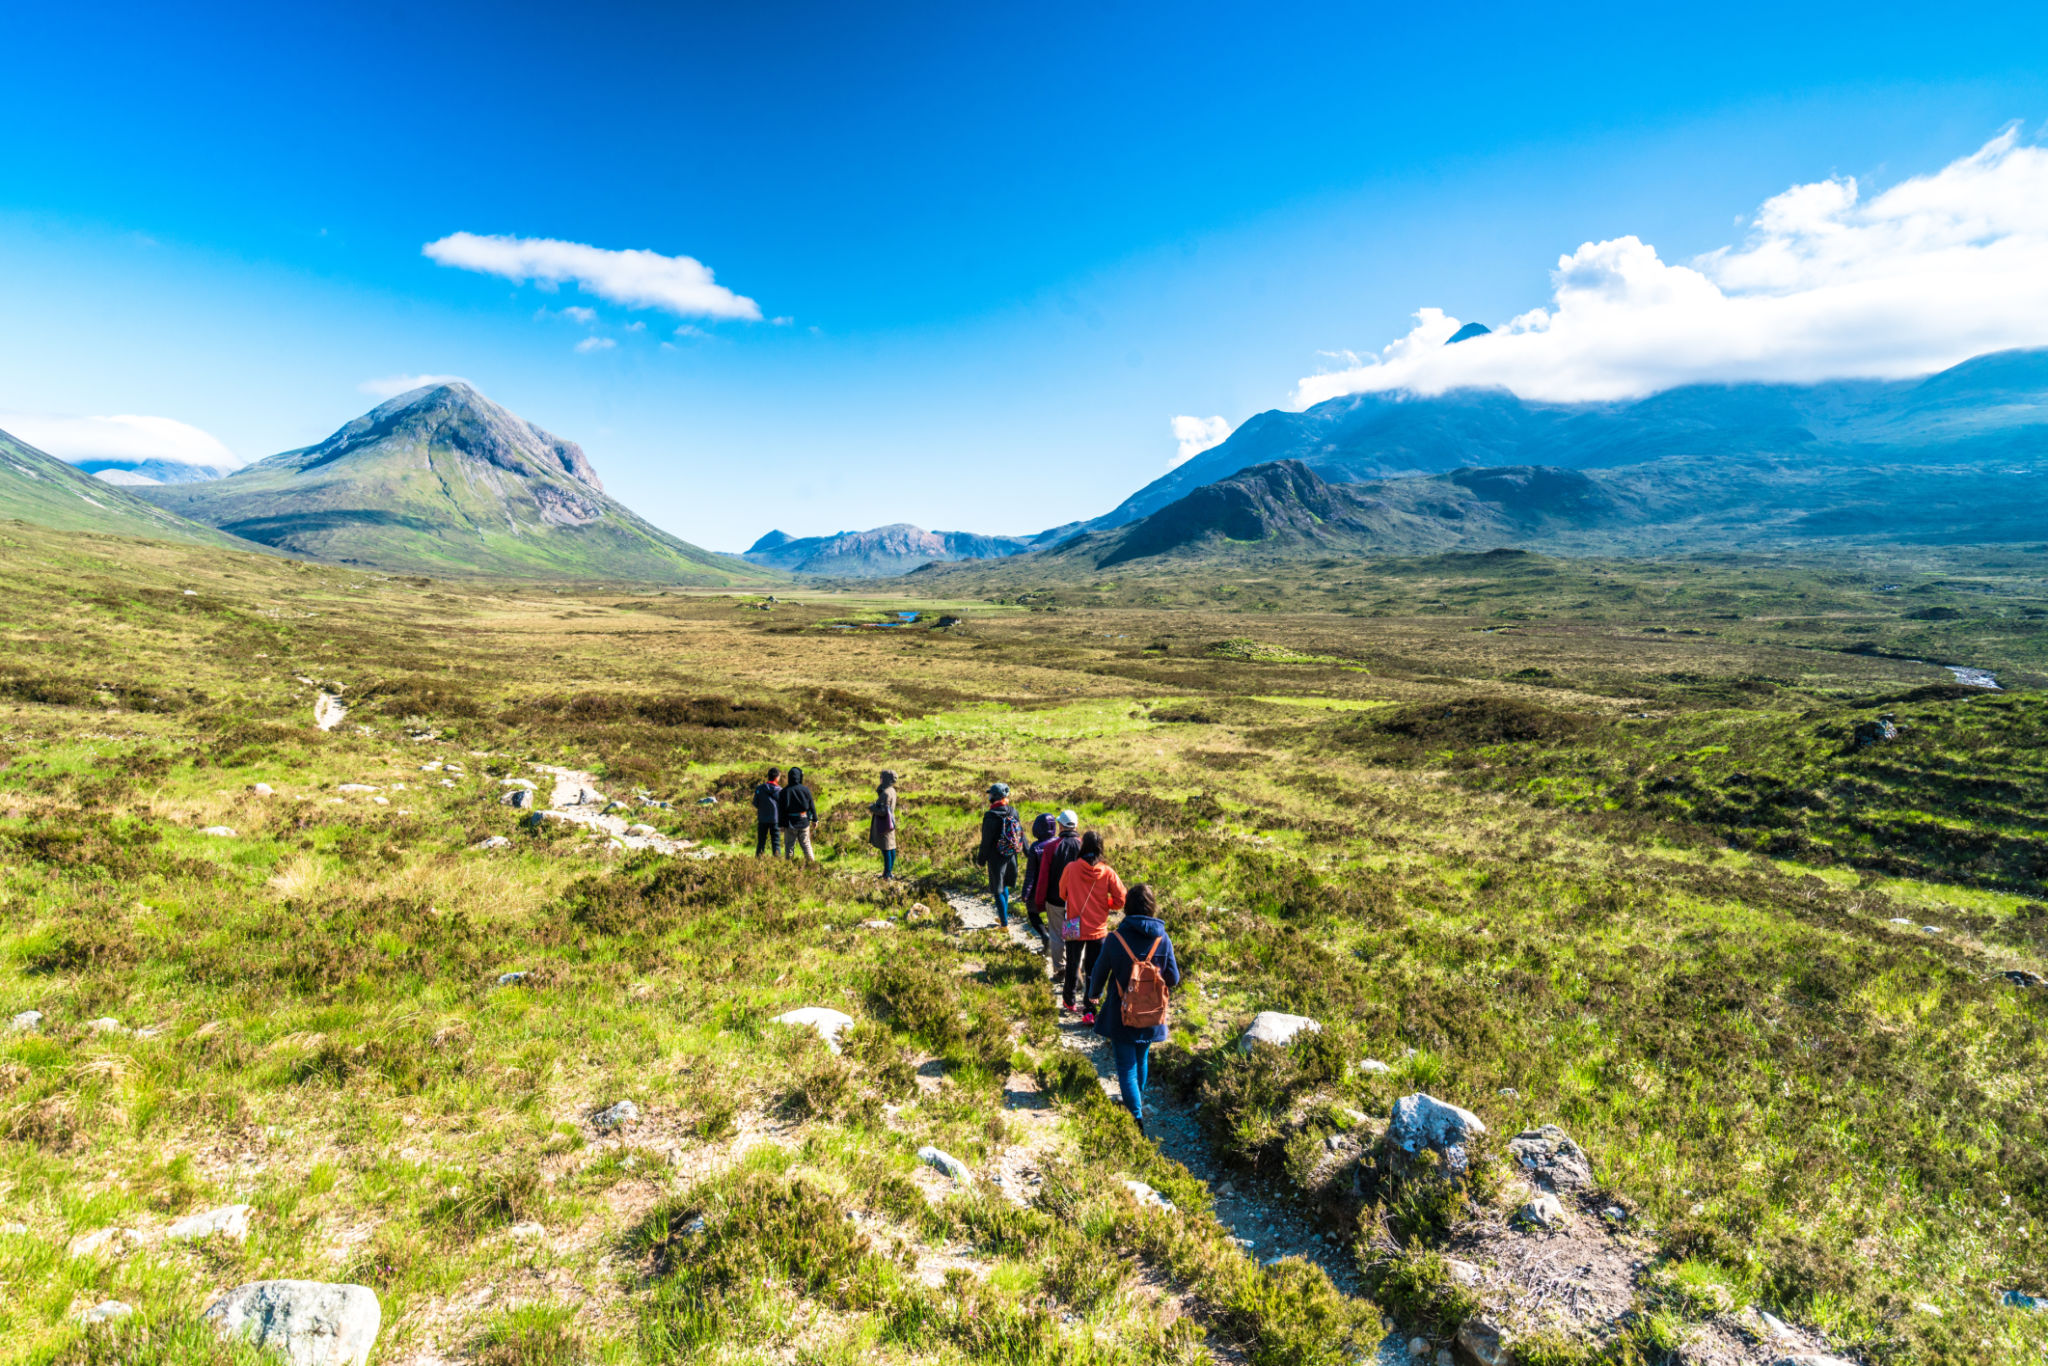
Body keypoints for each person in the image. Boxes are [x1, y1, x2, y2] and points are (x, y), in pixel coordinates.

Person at [1088, 884, 1180, 1135]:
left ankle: (1136, 1119)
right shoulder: (1162, 938)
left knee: (1126, 1065)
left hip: (1122, 1013)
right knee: (1141, 1058)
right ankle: (1136, 1100)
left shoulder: (1115, 938)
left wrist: (1094, 994)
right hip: (1151, 1013)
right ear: (1152, 907)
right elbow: (1174, 978)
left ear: (1127, 907)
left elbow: (1099, 971)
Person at [1056, 829, 1125, 1023]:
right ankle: (1090, 1010)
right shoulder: (1107, 872)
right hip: (1098, 927)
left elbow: (1062, 894)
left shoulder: (1071, 868)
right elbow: (1121, 899)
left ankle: (1069, 1000)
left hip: (1073, 922)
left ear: (1082, 846)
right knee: (1094, 969)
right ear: (1100, 847)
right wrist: (1106, 904)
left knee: (1072, 963)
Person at [1036, 810, 1082, 1001]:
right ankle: (1075, 969)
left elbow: (1043, 877)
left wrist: (1039, 901)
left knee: (1056, 934)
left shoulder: (1051, 847)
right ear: (1076, 826)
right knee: (1072, 935)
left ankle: (1060, 969)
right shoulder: (1083, 846)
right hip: (1075, 901)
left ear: (1061, 826)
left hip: (1054, 899)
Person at [976, 783, 1023, 926]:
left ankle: (1004, 924)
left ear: (994, 797)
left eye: (990, 794)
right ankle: (1004, 917)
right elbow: (1020, 833)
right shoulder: (1013, 811)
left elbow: (986, 841)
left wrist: (981, 860)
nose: (989, 796)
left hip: (996, 858)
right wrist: (1026, 851)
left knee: (997, 890)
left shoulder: (990, 816)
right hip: (1011, 855)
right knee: (1005, 886)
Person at [1018, 812, 1058, 943]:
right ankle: (1067, 943)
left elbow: (1030, 874)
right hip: (1058, 889)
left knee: (1032, 912)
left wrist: (1025, 893)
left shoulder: (1035, 847)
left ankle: (1044, 935)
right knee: (1063, 917)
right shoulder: (1060, 843)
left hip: (1038, 888)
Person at [780, 766, 818, 862]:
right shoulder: (805, 790)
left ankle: (789, 867)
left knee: (789, 847)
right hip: (804, 821)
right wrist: (815, 820)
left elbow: (781, 810)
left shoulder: (784, 791)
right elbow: (812, 806)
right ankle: (812, 865)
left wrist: (781, 825)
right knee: (806, 845)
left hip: (790, 823)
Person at [868, 770, 898, 878]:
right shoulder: (891, 790)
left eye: (881, 777)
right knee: (891, 847)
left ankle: (887, 874)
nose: (880, 779)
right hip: (890, 822)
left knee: (886, 849)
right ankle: (888, 873)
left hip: (884, 823)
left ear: (885, 779)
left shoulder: (886, 793)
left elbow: (883, 811)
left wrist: (872, 808)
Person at [752, 766, 784, 857]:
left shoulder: (759, 789)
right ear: (777, 777)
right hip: (775, 820)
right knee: (776, 842)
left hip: (762, 818)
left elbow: (755, 803)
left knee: (761, 841)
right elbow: (783, 806)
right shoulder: (780, 790)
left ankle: (758, 859)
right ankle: (776, 860)